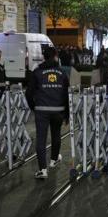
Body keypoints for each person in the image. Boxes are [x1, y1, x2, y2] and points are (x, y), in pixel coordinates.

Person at [25, 47, 69, 179]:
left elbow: (28, 93)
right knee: (56, 135)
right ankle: (54, 160)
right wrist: (66, 112)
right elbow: (66, 94)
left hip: (42, 110)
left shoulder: (37, 72)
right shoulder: (62, 72)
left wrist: (34, 107)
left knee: (41, 139)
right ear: (55, 56)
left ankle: (42, 170)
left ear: (43, 57)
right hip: (58, 110)